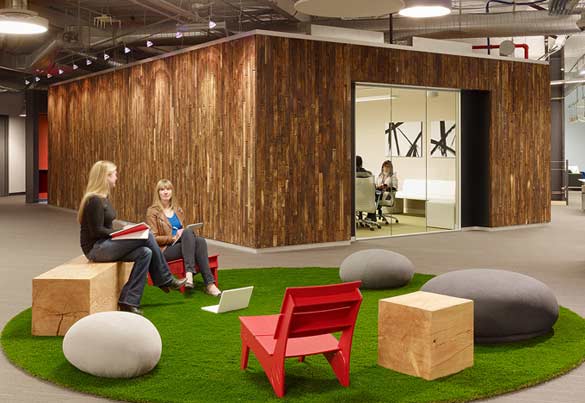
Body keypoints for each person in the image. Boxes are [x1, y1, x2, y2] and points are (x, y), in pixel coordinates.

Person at [79, 161, 186, 316]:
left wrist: (125, 231)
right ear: (105, 177)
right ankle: (165, 278)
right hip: (96, 249)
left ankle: (128, 301)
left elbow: (104, 229)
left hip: (105, 244)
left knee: (145, 253)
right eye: (114, 174)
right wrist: (122, 232)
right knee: (147, 235)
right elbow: (97, 232)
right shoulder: (94, 200)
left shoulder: (104, 198)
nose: (116, 177)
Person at [146, 179, 222, 297]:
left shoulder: (178, 209)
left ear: (172, 191)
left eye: (168, 189)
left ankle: (209, 284)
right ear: (158, 193)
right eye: (162, 189)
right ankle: (191, 274)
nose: (165, 192)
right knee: (191, 235)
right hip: (164, 249)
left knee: (199, 240)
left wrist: (180, 235)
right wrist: (172, 238)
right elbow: (153, 238)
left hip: (180, 245)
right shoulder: (152, 211)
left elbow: (183, 232)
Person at [356, 155, 377, 221]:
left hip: (354, 199)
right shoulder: (369, 174)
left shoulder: (350, 174)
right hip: (367, 200)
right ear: (361, 164)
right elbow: (373, 188)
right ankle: (371, 217)